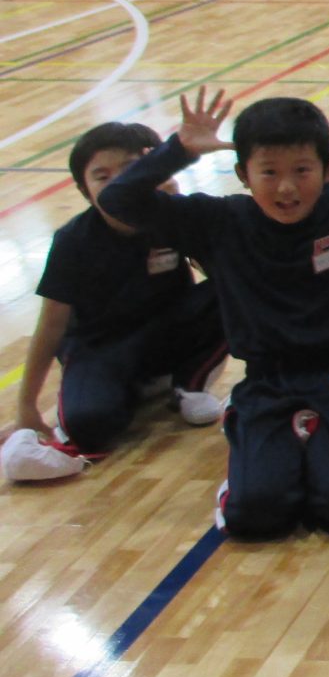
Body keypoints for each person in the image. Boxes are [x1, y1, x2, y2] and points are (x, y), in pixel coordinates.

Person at [98, 88, 329, 537]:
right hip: (264, 380)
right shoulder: (219, 221)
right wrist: (179, 150)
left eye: (302, 170)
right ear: (243, 174)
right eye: (269, 172)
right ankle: (266, 461)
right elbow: (116, 200)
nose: (286, 187)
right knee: (255, 516)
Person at [8, 123, 226, 477]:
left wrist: (184, 218)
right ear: (85, 190)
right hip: (100, 348)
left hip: (168, 330)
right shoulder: (73, 241)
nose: (116, 184)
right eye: (101, 176)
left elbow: (221, 273)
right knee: (90, 424)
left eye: (129, 171)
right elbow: (50, 325)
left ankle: (190, 383)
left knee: (230, 286)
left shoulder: (172, 217)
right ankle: (123, 389)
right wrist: (27, 406)